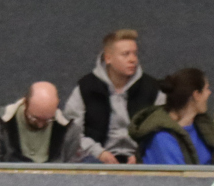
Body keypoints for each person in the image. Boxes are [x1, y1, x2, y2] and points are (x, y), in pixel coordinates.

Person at [62, 30, 161, 165]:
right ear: (108, 58)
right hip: (95, 158)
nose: (133, 59)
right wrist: (98, 152)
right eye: (125, 54)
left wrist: (140, 153)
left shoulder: (152, 88)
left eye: (135, 53)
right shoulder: (86, 88)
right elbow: (72, 132)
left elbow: (162, 129)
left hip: (141, 158)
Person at [134, 69, 214, 166]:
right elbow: (176, 177)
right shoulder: (162, 138)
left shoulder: (201, 127)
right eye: (206, 89)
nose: (209, 93)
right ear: (196, 95)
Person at [0, 81, 82, 164]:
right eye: (35, 118)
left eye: (48, 119)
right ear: (25, 103)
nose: (40, 124)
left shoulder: (70, 130)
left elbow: (72, 170)